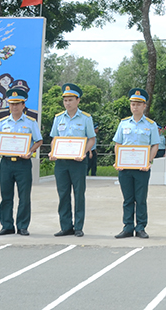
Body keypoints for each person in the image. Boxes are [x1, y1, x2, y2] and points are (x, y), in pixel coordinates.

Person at [0, 87, 42, 236]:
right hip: (6, 163)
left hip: (23, 163)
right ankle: (6, 225)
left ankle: (22, 226)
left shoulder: (31, 122)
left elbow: (38, 140)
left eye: (17, 104)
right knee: (6, 196)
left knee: (24, 196)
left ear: (23, 105)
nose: (14, 107)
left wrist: (30, 151)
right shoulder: (2, 122)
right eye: (12, 104)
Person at [50, 83, 96, 237]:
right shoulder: (58, 118)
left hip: (78, 161)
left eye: (70, 100)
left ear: (78, 101)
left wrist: (84, 151)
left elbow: (91, 139)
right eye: (65, 100)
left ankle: (78, 227)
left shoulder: (85, 118)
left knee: (78, 194)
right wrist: (52, 152)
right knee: (63, 194)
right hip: (61, 163)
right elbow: (55, 139)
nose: (67, 103)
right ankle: (65, 226)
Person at [113, 88, 160, 239]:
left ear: (144, 106)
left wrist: (149, 161)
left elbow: (155, 145)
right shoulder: (123, 123)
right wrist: (117, 162)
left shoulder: (151, 125)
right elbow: (118, 144)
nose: (135, 107)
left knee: (140, 199)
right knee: (127, 199)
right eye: (133, 104)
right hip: (125, 167)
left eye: (139, 104)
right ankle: (127, 227)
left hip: (142, 168)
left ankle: (140, 227)